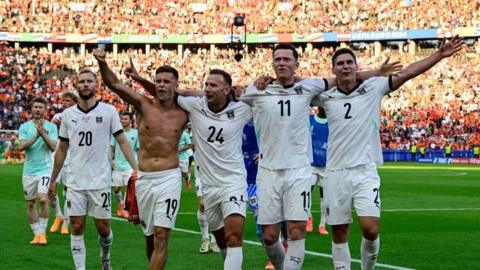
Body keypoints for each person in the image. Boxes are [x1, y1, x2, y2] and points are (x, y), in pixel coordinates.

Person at [241, 43, 401, 270]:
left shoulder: (310, 86)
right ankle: (279, 265)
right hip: (268, 172)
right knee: (269, 236)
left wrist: (375, 73)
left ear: (296, 64)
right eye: (278, 59)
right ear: (272, 63)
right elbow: (227, 94)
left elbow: (343, 78)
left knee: (297, 230)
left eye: (287, 59)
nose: (282, 63)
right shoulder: (257, 90)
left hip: (299, 170)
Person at [312, 36, 464, 270]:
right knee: (339, 231)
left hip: (365, 170)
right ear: (333, 70)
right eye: (340, 64)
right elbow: (294, 87)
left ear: (356, 66)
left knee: (370, 229)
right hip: (335, 172)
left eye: (349, 63)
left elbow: (407, 73)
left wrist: (438, 55)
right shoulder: (324, 96)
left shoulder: (373, 87)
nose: (345, 67)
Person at [93, 49, 189, 270]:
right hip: (145, 179)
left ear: (177, 85)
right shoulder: (143, 104)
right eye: (159, 81)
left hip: (169, 178)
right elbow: (114, 84)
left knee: (161, 234)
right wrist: (102, 63)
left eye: (167, 82)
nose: (162, 85)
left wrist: (142, 79)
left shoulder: (185, 111)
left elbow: (206, 97)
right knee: (149, 237)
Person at [47, 69, 138, 270]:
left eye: (89, 81)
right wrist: (53, 179)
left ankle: (105, 258)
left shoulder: (108, 111)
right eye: (82, 81)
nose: (85, 84)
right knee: (77, 226)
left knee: (103, 229)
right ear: (76, 85)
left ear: (96, 85)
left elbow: (122, 140)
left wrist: (136, 168)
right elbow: (62, 148)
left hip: (100, 181)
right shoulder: (68, 115)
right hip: (75, 181)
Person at [175, 69, 252, 270]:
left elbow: (263, 96)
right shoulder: (195, 106)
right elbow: (167, 92)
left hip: (233, 182)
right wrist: (140, 79)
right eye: (206, 85)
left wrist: (248, 88)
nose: (208, 88)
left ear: (227, 89)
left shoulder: (242, 108)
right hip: (208, 184)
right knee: (221, 239)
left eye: (213, 85)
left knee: (233, 236)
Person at [17, 96, 58, 245]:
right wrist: (36, 136)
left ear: (45, 110)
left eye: (40, 107)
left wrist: (44, 134)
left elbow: (53, 147)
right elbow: (21, 147)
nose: (37, 110)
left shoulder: (52, 127)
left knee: (42, 198)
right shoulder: (25, 127)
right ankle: (37, 234)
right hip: (28, 170)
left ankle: (43, 233)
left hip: (45, 169)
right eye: (35, 107)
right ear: (32, 109)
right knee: (30, 204)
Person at [50, 92, 78, 235]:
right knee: (50, 190)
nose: (65, 102)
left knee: (68, 192)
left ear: (75, 101)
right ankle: (58, 215)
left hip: (71, 159)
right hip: (57, 157)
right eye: (64, 100)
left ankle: (66, 222)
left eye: (68, 100)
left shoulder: (79, 116)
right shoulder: (58, 116)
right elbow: (56, 124)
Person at [110, 112, 139, 218]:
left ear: (131, 120)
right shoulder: (116, 133)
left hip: (130, 166)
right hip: (117, 165)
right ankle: (121, 204)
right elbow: (111, 147)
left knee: (128, 188)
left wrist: (138, 164)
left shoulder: (136, 133)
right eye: (121, 119)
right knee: (116, 189)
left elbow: (138, 149)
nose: (123, 120)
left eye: (125, 119)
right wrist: (111, 160)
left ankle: (127, 209)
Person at [307, 106, 329, 236]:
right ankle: (308, 218)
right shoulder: (310, 120)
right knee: (306, 194)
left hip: (326, 167)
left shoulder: (332, 123)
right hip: (311, 166)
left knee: (325, 199)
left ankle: (322, 225)